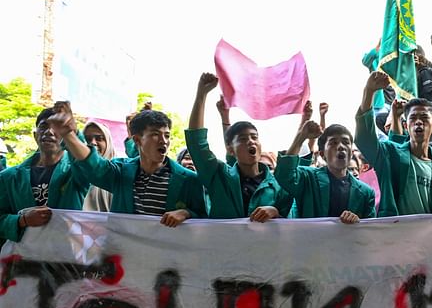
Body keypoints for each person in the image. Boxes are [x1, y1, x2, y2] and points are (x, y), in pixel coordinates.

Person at [54, 102, 207, 226]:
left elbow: (205, 219)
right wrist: (69, 135)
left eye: (167, 135)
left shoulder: (189, 180)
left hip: (168, 261)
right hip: (125, 258)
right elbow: (94, 166)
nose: (164, 141)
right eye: (155, 134)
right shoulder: (120, 171)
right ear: (137, 140)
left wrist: (186, 213)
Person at [185, 72, 293, 222]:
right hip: (223, 245)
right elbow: (197, 145)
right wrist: (201, 95)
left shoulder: (278, 185)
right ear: (230, 149)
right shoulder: (219, 176)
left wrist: (274, 211)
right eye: (242, 139)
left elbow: (289, 222)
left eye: (254, 137)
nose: (251, 142)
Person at [356, 71, 432, 220]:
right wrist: (369, 91)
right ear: (405, 124)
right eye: (413, 118)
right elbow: (364, 139)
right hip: (395, 237)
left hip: (431, 239)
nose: (418, 122)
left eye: (424, 118)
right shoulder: (390, 154)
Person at [0, 106, 90, 245]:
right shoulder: (9, 177)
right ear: (35, 135)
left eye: (58, 128)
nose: (49, 132)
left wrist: (74, 135)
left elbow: (89, 163)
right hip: (22, 259)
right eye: (43, 126)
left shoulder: (76, 172)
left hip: (65, 258)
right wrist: (22, 220)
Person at [275, 120, 375, 223]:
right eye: (333, 143)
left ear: (351, 152)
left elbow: (369, 230)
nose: (341, 146)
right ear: (322, 154)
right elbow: (284, 175)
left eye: (346, 142)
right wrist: (301, 137)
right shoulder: (307, 178)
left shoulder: (366, 193)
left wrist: (358, 222)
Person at [82, 121, 116, 212]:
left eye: (99, 138)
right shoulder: (73, 171)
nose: (92, 143)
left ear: (108, 142)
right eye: (87, 139)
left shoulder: (119, 173)